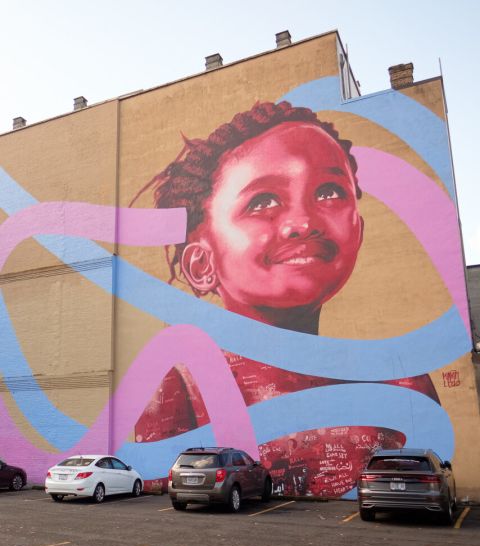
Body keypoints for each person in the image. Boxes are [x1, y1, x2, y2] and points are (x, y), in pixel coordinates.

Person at [134, 101, 438, 494]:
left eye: (329, 192)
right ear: (200, 263)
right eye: (262, 202)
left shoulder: (402, 381)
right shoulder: (183, 385)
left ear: (357, 231)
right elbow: (169, 494)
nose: (303, 223)